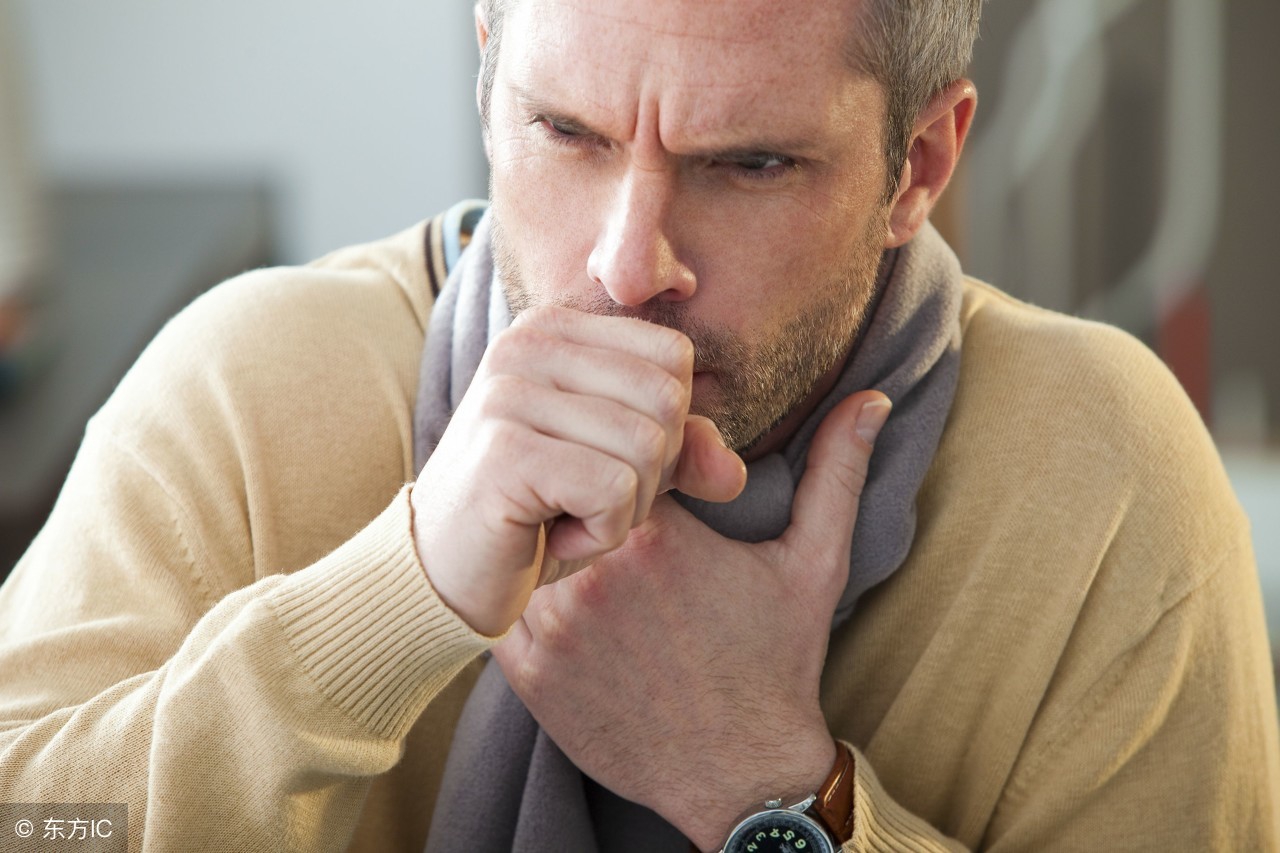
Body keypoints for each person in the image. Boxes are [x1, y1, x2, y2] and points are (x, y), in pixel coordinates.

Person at [1, 0, 1277, 850]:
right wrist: (401, 596)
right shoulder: (250, 386)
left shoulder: (1103, 479)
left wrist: (762, 787)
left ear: (921, 165)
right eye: (565, 132)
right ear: (488, 81)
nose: (626, 265)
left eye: (749, 164)